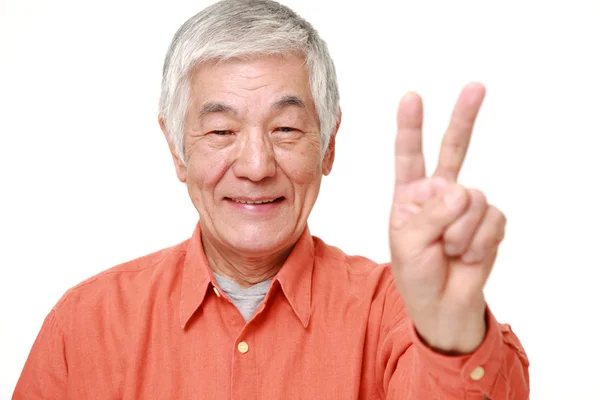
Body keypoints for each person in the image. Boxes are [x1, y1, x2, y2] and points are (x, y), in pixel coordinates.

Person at [12, 0, 529, 399]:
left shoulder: (395, 310)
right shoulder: (86, 324)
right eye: (220, 131)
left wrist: (449, 333)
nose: (256, 166)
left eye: (285, 128)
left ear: (328, 144)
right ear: (176, 149)